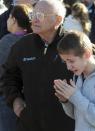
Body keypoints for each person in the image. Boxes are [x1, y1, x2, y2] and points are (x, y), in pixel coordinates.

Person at [3, 0, 74, 131]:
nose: (34, 20)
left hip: (66, 124)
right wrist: (16, 102)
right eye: (33, 15)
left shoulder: (74, 44)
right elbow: (8, 76)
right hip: (29, 124)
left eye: (40, 16)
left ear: (58, 20)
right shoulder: (22, 46)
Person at [0, 4, 32, 131]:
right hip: (28, 97)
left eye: (9, 18)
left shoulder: (6, 42)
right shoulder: (33, 40)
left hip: (6, 97)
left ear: (13, 20)